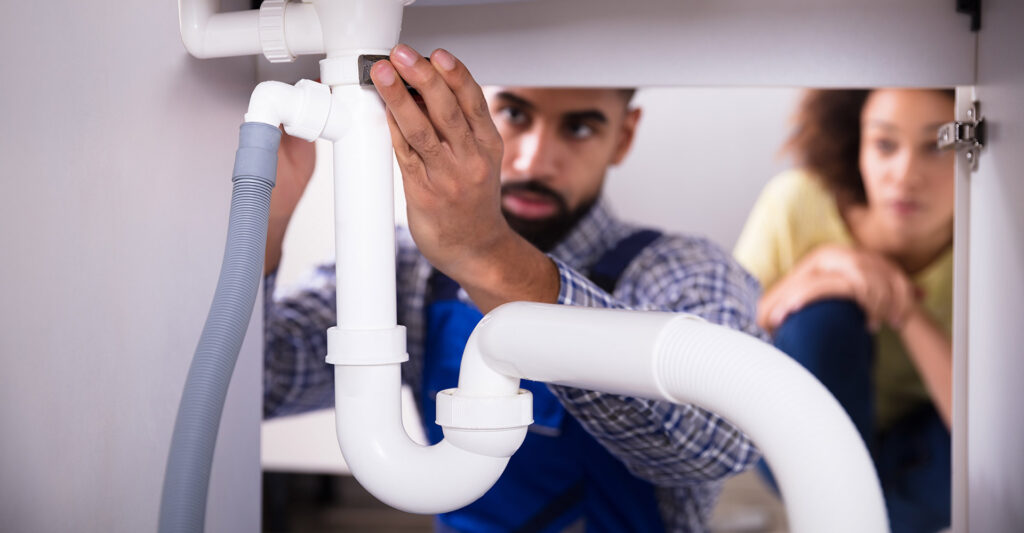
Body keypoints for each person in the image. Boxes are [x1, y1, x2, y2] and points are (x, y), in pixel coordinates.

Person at [265, 44, 765, 532]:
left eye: (580, 127)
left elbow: (721, 443)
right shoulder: (406, 269)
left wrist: (485, 253)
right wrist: (268, 222)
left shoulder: (683, 270)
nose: (533, 162)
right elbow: (259, 386)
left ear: (624, 137)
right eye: (515, 114)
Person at [733, 89, 954, 533]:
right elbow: (723, 347)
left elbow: (986, 433)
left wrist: (903, 308)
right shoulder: (795, 202)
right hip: (804, 437)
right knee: (824, 313)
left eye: (937, 145)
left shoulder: (999, 236)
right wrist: (817, 269)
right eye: (885, 144)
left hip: (924, 444)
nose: (905, 174)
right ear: (858, 145)